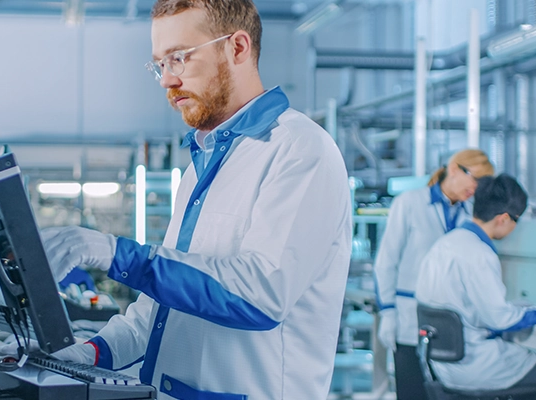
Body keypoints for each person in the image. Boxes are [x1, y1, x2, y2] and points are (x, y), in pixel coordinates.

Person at [37, 0, 352, 397]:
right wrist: (89, 353)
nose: (166, 80)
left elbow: (260, 296)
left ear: (237, 48)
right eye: (159, 64)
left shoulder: (299, 150)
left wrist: (120, 255)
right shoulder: (200, 165)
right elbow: (161, 309)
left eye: (179, 58)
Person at [414, 174, 536, 399]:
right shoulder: (479, 253)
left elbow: (461, 308)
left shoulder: (445, 244)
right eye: (517, 221)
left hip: (443, 367)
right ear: (504, 218)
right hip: (478, 366)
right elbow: (500, 320)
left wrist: (516, 309)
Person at [373, 148, 494, 399]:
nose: (476, 187)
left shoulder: (468, 216)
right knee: (412, 392)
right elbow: (386, 262)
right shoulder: (409, 203)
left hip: (451, 324)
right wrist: (387, 311)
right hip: (408, 319)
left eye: (482, 183)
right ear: (453, 169)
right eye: (475, 178)